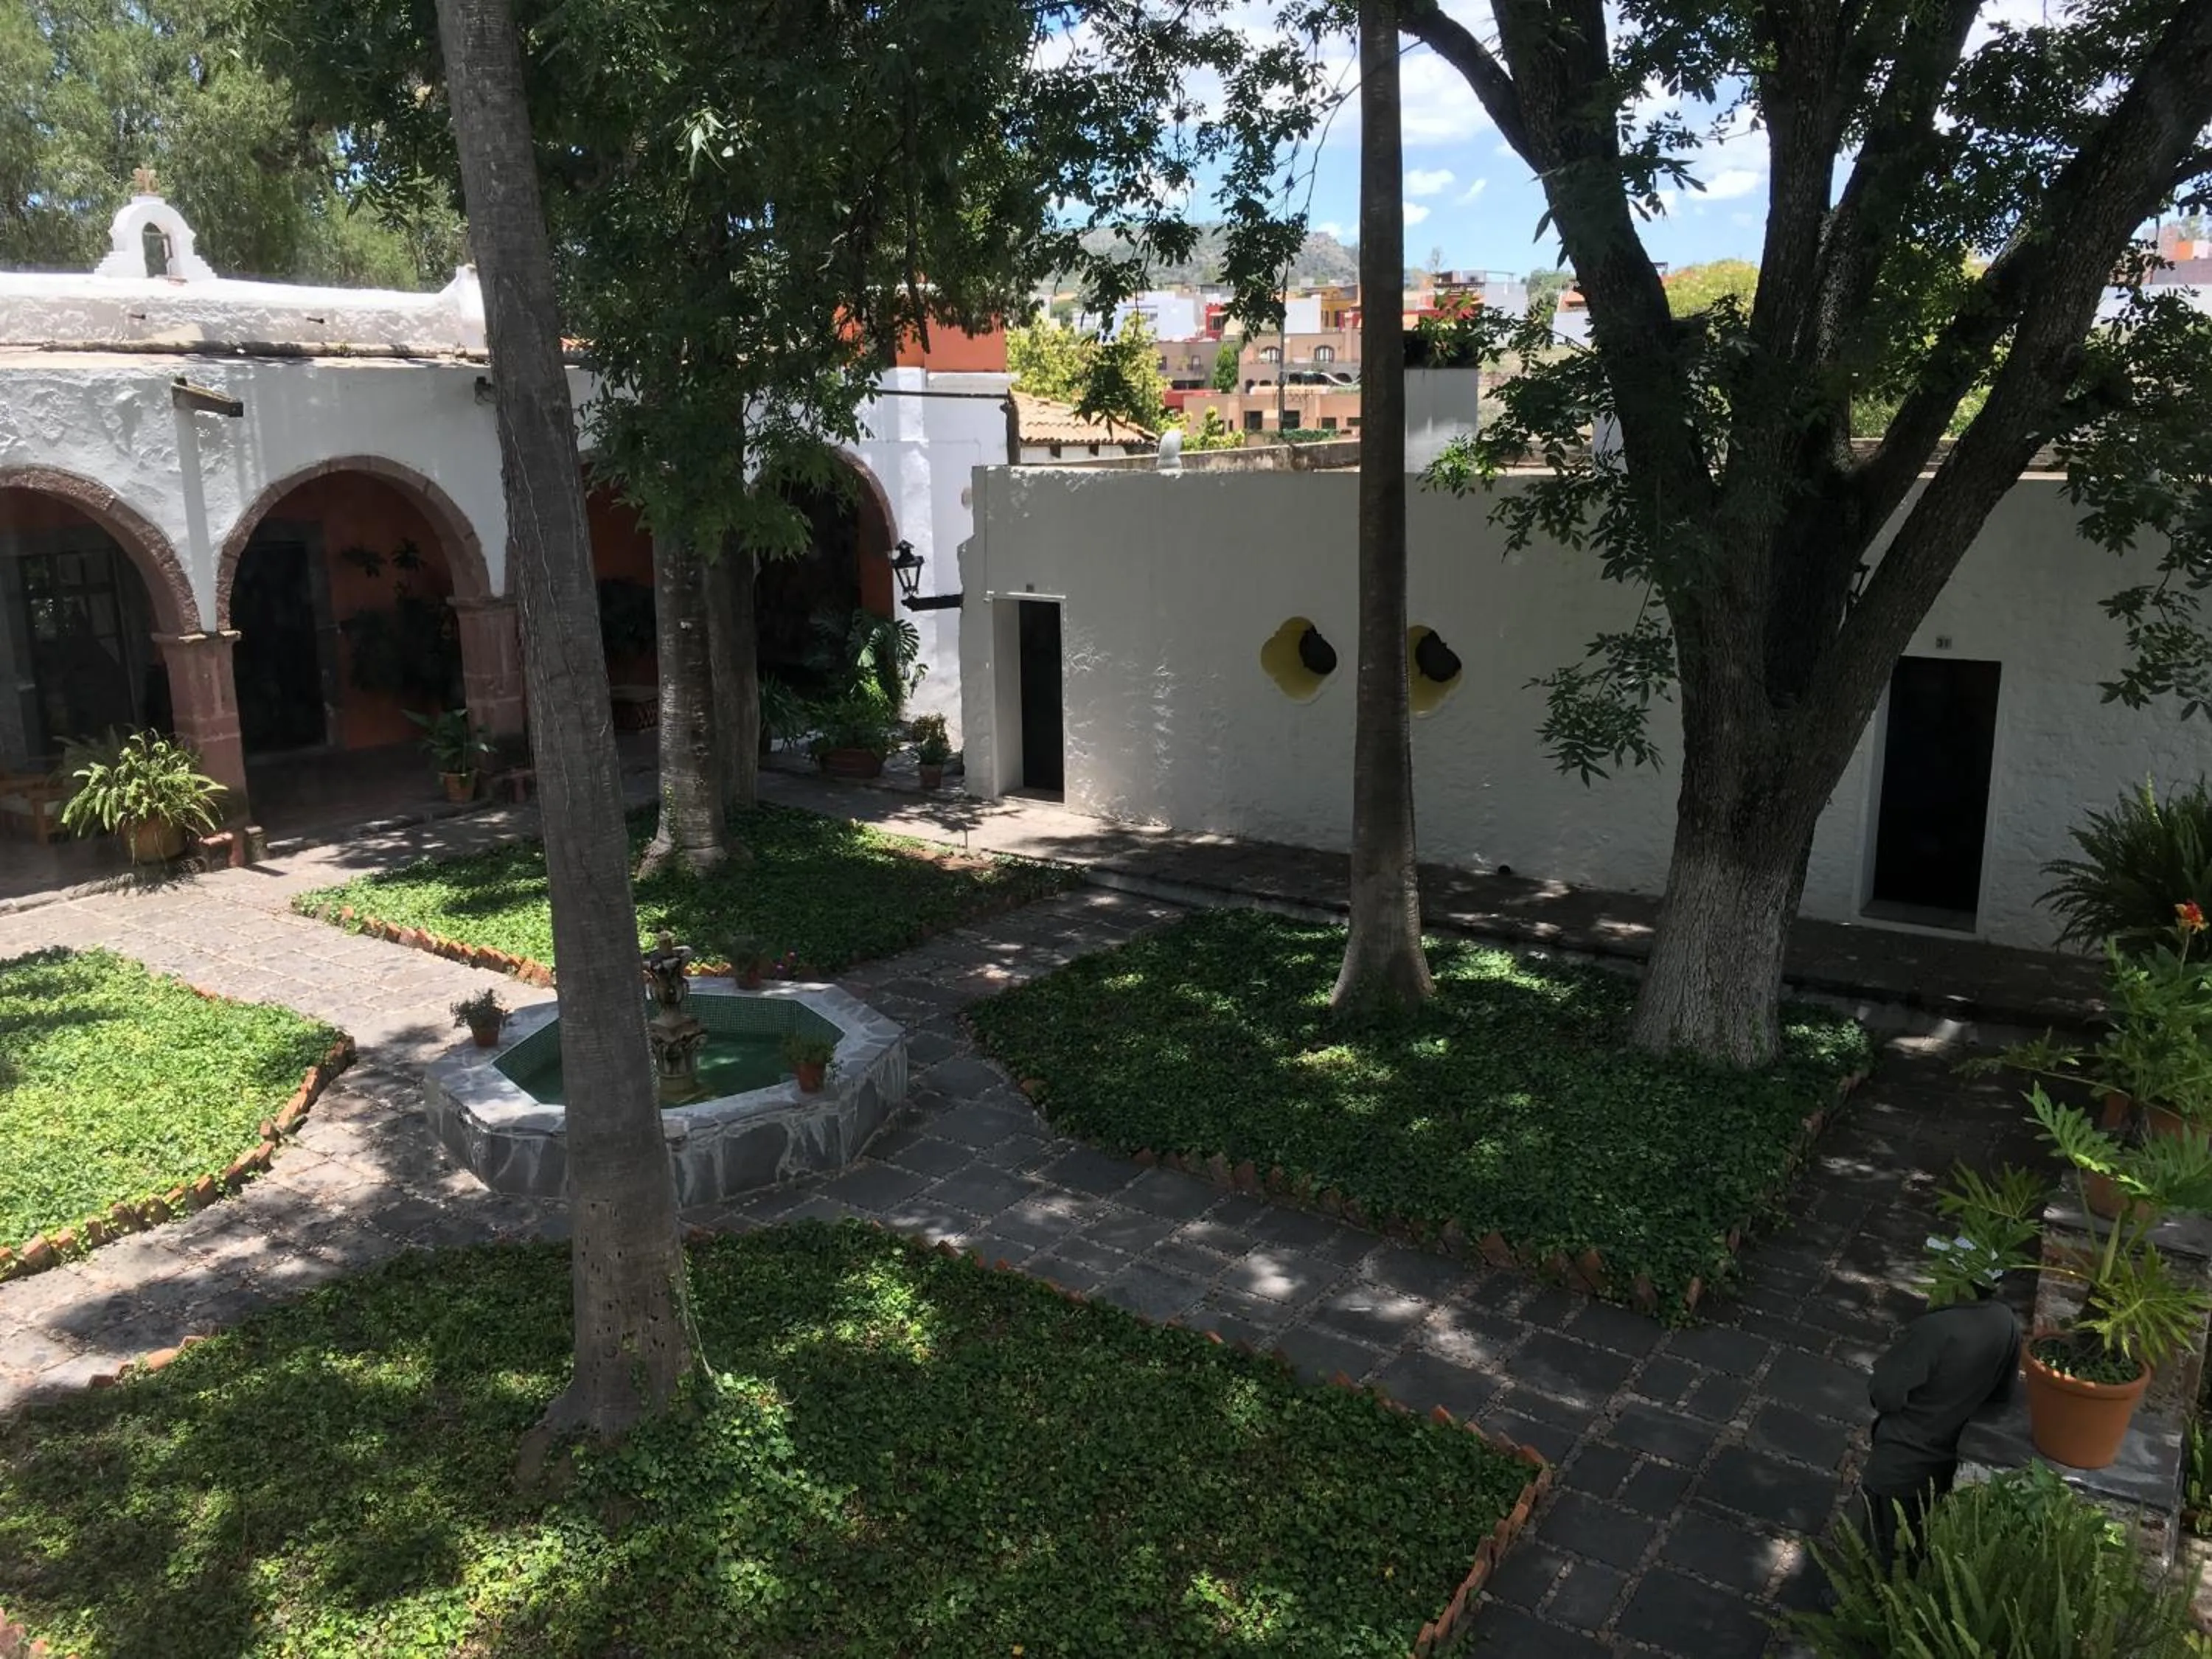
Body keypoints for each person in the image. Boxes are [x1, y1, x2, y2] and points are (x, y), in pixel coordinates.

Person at [1857, 1235, 2023, 1573]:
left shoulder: (1935, 1329)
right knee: (1920, 1537)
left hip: (1902, 1457)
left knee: (1882, 1540)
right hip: (1949, 1455)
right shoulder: (2005, 1321)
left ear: (1962, 1281)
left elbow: (1885, 1394)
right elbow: (2002, 1392)